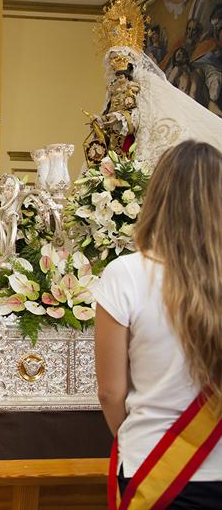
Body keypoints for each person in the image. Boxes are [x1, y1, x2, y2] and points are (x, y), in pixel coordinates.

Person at [94, 141, 222, 508]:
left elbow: (110, 393)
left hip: (154, 468)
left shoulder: (126, 274)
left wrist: (139, 438)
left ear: (158, 197)